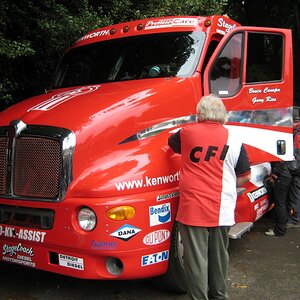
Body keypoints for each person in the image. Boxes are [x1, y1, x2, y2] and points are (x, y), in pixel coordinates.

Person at [168, 94, 251, 300]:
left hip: (193, 208)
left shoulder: (186, 132)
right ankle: (220, 297)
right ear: (222, 114)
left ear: (199, 114)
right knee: (219, 259)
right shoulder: (235, 138)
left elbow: (172, 144)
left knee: (196, 262)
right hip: (222, 208)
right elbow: (245, 176)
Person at [265, 124, 300, 236]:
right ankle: (287, 221)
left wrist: (275, 173)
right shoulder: (292, 135)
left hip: (285, 172)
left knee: (280, 202)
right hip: (294, 171)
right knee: (290, 199)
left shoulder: (284, 137)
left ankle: (279, 230)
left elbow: (281, 158)